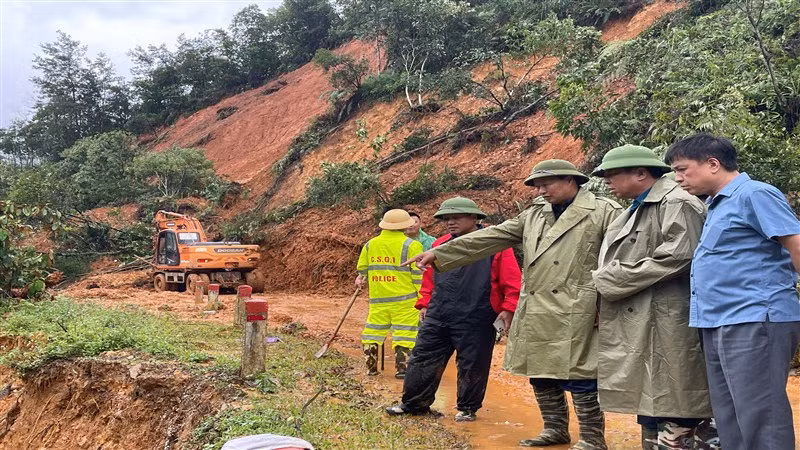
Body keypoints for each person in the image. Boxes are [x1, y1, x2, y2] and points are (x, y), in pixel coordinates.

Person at [405, 160, 622, 450]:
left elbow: (621, 258)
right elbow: (492, 236)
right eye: (537, 186)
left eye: (547, 184)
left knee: (580, 373)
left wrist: (607, 301)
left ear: (572, 180)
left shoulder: (605, 212)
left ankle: (593, 439)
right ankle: (555, 429)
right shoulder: (533, 215)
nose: (541, 191)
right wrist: (441, 253)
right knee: (541, 371)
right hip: (538, 306)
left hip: (581, 306)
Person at [664, 133, 800, 450]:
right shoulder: (716, 204)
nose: (678, 178)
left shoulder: (755, 194)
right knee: (729, 416)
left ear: (713, 164)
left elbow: (795, 243)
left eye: (683, 169)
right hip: (718, 320)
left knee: (760, 416)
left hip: (755, 318)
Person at [590, 144, 715, 449]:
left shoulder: (676, 202)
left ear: (641, 173)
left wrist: (616, 278)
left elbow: (680, 254)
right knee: (653, 401)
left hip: (669, 317)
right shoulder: (637, 207)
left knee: (677, 402)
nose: (607, 181)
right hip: (646, 317)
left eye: (611, 174)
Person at [385, 197, 521, 421]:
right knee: (423, 356)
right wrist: (425, 303)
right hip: (440, 311)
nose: (450, 222)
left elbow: (511, 279)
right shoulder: (439, 244)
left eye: (456, 217)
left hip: (477, 313)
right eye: (446, 218)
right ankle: (414, 404)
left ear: (474, 218)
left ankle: (467, 408)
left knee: (473, 363)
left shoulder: (495, 245)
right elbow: (429, 278)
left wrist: (508, 308)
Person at [356, 209, 424, 378]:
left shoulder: (370, 244)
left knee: (373, 331)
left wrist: (361, 278)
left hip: (378, 299)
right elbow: (418, 275)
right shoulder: (412, 245)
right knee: (404, 333)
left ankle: (371, 368)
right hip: (405, 300)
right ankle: (402, 370)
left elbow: (362, 269)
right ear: (404, 225)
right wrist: (423, 298)